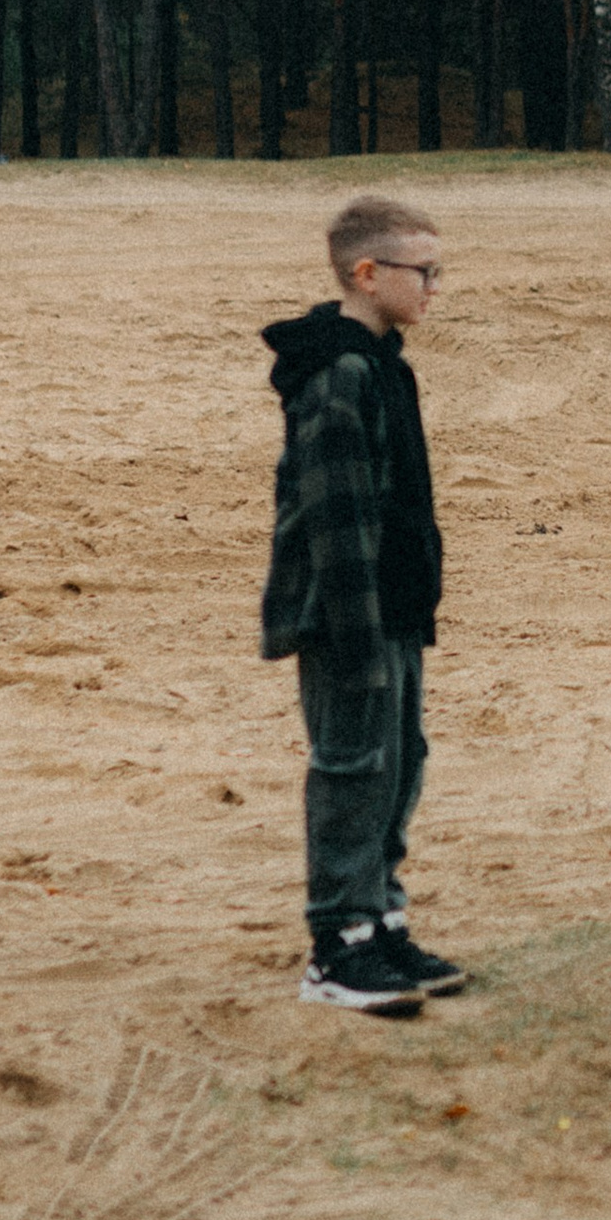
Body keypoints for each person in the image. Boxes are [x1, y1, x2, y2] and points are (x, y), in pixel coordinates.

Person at [260, 193, 463, 1017]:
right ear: (367, 272)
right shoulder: (337, 373)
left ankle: (380, 919)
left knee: (399, 762)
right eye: (425, 273)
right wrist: (354, 635)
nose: (435, 289)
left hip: (394, 609)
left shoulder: (386, 364)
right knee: (352, 768)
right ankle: (336, 946)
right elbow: (332, 514)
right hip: (350, 616)